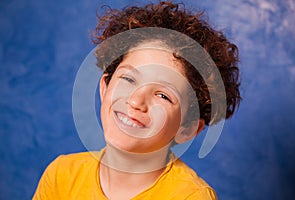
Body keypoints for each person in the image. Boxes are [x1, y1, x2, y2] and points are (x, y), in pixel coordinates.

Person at [33, 1, 240, 199]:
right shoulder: (61, 175)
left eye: (163, 95)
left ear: (187, 129)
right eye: (129, 79)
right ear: (105, 88)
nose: (135, 101)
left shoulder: (191, 196)